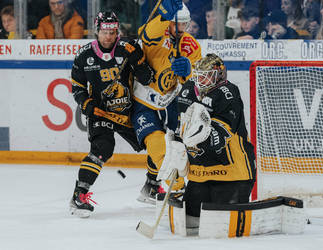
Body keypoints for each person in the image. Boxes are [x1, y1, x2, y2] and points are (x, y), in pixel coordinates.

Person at [69, 11, 154, 218]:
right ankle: (79, 195)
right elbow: (77, 86)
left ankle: (152, 186)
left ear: (118, 31)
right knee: (102, 149)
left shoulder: (127, 49)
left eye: (113, 32)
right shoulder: (84, 55)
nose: (109, 36)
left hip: (127, 112)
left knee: (154, 141)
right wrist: (86, 104)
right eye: (105, 32)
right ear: (97, 31)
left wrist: (139, 59)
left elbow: (147, 78)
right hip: (101, 113)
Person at [158, 53, 256, 228]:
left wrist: (191, 141)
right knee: (190, 222)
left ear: (219, 74)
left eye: (207, 75)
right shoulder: (188, 90)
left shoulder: (228, 93)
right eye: (199, 75)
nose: (201, 80)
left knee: (221, 224)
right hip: (200, 175)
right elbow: (182, 126)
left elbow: (219, 138)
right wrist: (177, 147)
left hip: (233, 173)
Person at [132, 1, 202, 204]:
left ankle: (151, 186)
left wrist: (188, 73)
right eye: (179, 24)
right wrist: (162, 16)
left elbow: (197, 81)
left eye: (185, 25)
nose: (183, 29)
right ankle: (177, 186)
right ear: (170, 23)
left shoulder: (190, 44)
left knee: (175, 145)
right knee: (155, 142)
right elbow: (147, 35)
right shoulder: (157, 35)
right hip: (143, 100)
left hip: (171, 101)